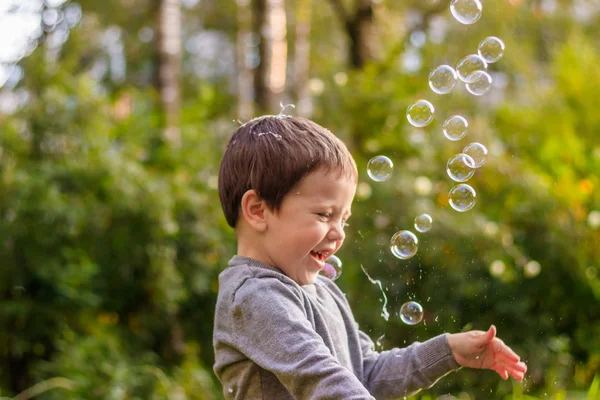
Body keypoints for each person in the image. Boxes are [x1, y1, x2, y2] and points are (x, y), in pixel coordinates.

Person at [213, 113, 527, 399]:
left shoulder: (323, 290)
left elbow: (367, 376)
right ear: (258, 210)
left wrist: (448, 351)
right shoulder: (253, 296)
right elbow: (323, 381)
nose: (339, 233)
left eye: (344, 219)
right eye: (324, 214)